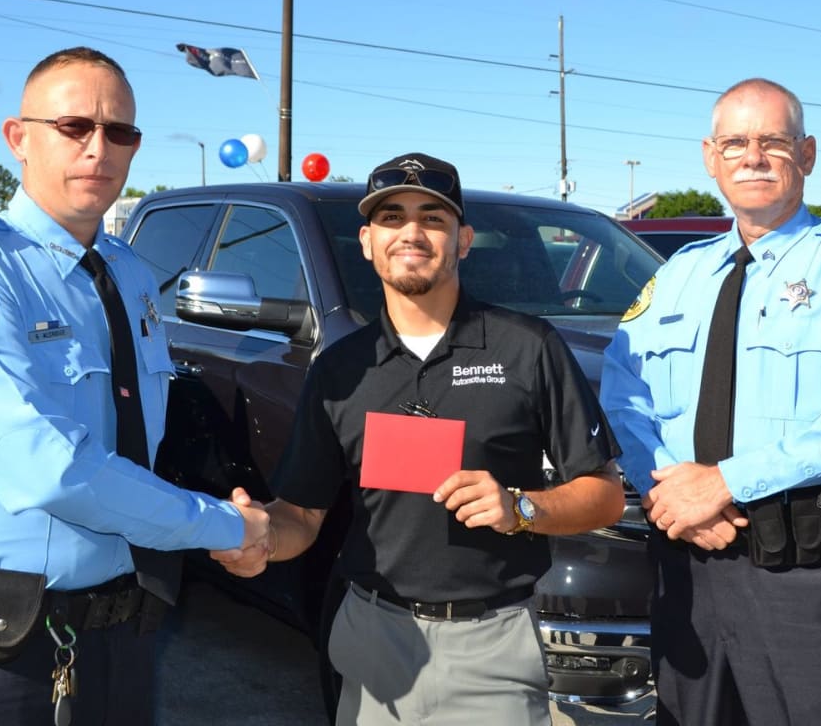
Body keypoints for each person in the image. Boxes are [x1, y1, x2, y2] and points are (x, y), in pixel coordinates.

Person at [0, 46, 267, 726]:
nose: (99, 148)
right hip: (4, 652)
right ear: (18, 138)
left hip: (125, 631)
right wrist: (222, 525)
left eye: (119, 131)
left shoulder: (130, 275)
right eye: (74, 126)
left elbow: (144, 441)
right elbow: (46, 468)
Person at [214, 152, 625, 725]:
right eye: (392, 218)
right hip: (372, 640)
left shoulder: (528, 349)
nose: (411, 232)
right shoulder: (341, 369)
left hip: (491, 648)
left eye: (433, 218)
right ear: (368, 241)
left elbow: (605, 494)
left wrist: (520, 508)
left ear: (463, 240)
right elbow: (301, 516)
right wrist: (259, 536)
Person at [600, 78, 821, 726]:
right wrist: (670, 492)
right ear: (710, 156)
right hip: (687, 568)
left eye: (773, 142)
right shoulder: (678, 274)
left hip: (809, 577)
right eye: (735, 143)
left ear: (807, 154)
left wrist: (723, 482)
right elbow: (622, 391)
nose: (753, 157)